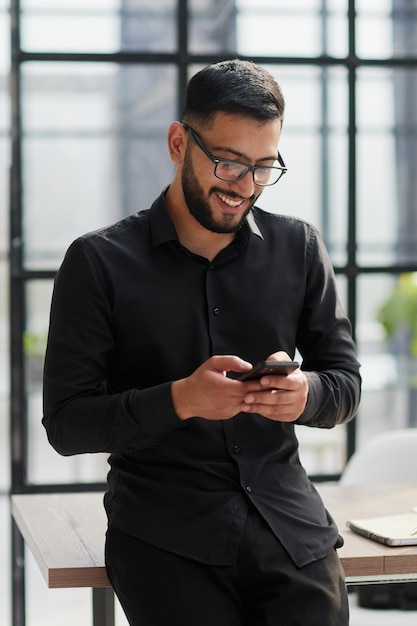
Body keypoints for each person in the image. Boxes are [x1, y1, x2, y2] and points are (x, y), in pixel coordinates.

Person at [43, 59, 361, 626]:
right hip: (165, 533)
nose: (245, 187)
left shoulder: (301, 248)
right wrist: (181, 400)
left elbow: (345, 383)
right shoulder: (97, 262)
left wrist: (305, 394)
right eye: (229, 162)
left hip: (289, 525)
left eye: (264, 168)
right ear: (176, 142)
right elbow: (66, 424)